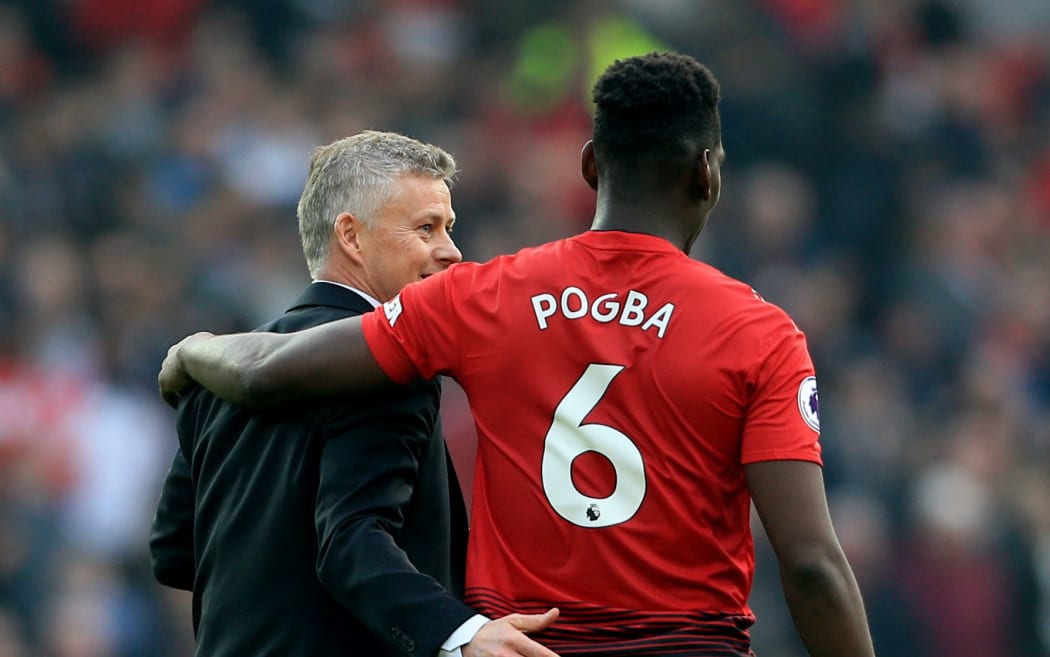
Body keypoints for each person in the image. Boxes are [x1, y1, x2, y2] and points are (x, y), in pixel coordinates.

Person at [158, 53, 876, 657]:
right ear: (708, 173)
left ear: (591, 164)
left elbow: (266, 374)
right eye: (429, 225)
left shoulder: (481, 298)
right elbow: (811, 564)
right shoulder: (759, 333)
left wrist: (195, 351)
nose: (448, 245)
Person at [149, 131, 559, 657]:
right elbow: (350, 543)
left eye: (448, 228)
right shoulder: (384, 367)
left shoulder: (214, 372)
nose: (451, 251)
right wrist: (457, 632)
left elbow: (174, 551)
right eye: (425, 228)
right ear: (351, 236)